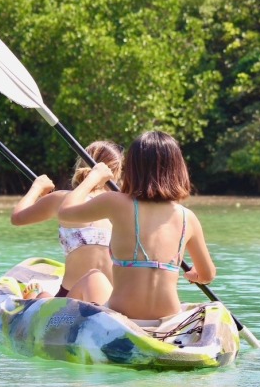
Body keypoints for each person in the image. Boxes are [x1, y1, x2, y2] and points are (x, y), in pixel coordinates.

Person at [57, 131, 216, 320]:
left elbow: (65, 212)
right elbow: (207, 274)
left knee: (93, 277)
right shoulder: (187, 217)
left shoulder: (116, 203)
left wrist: (93, 178)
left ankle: (57, 325)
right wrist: (193, 276)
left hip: (123, 314)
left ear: (132, 169)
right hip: (167, 316)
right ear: (179, 169)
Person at [10, 141, 124, 298]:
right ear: (117, 172)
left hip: (70, 296)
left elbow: (17, 217)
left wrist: (37, 187)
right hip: (113, 298)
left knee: (42, 296)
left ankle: (35, 297)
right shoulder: (124, 206)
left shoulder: (61, 199)